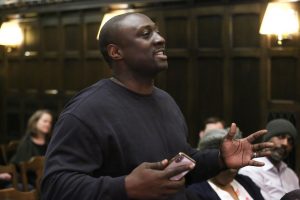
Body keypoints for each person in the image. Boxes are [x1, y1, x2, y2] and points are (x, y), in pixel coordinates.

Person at [41, 13, 273, 200]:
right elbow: (55, 187)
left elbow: (179, 165)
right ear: (116, 52)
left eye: (157, 31)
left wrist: (219, 160)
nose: (160, 39)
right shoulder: (86, 110)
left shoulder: (165, 100)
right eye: (146, 34)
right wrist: (125, 187)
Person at [188, 129, 264, 200]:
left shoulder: (245, 181)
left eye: (237, 152)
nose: (234, 158)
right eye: (227, 153)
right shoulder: (196, 190)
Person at [239, 118, 299, 200]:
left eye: (290, 141)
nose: (285, 144)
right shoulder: (250, 170)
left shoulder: (291, 175)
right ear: (267, 139)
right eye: (281, 137)